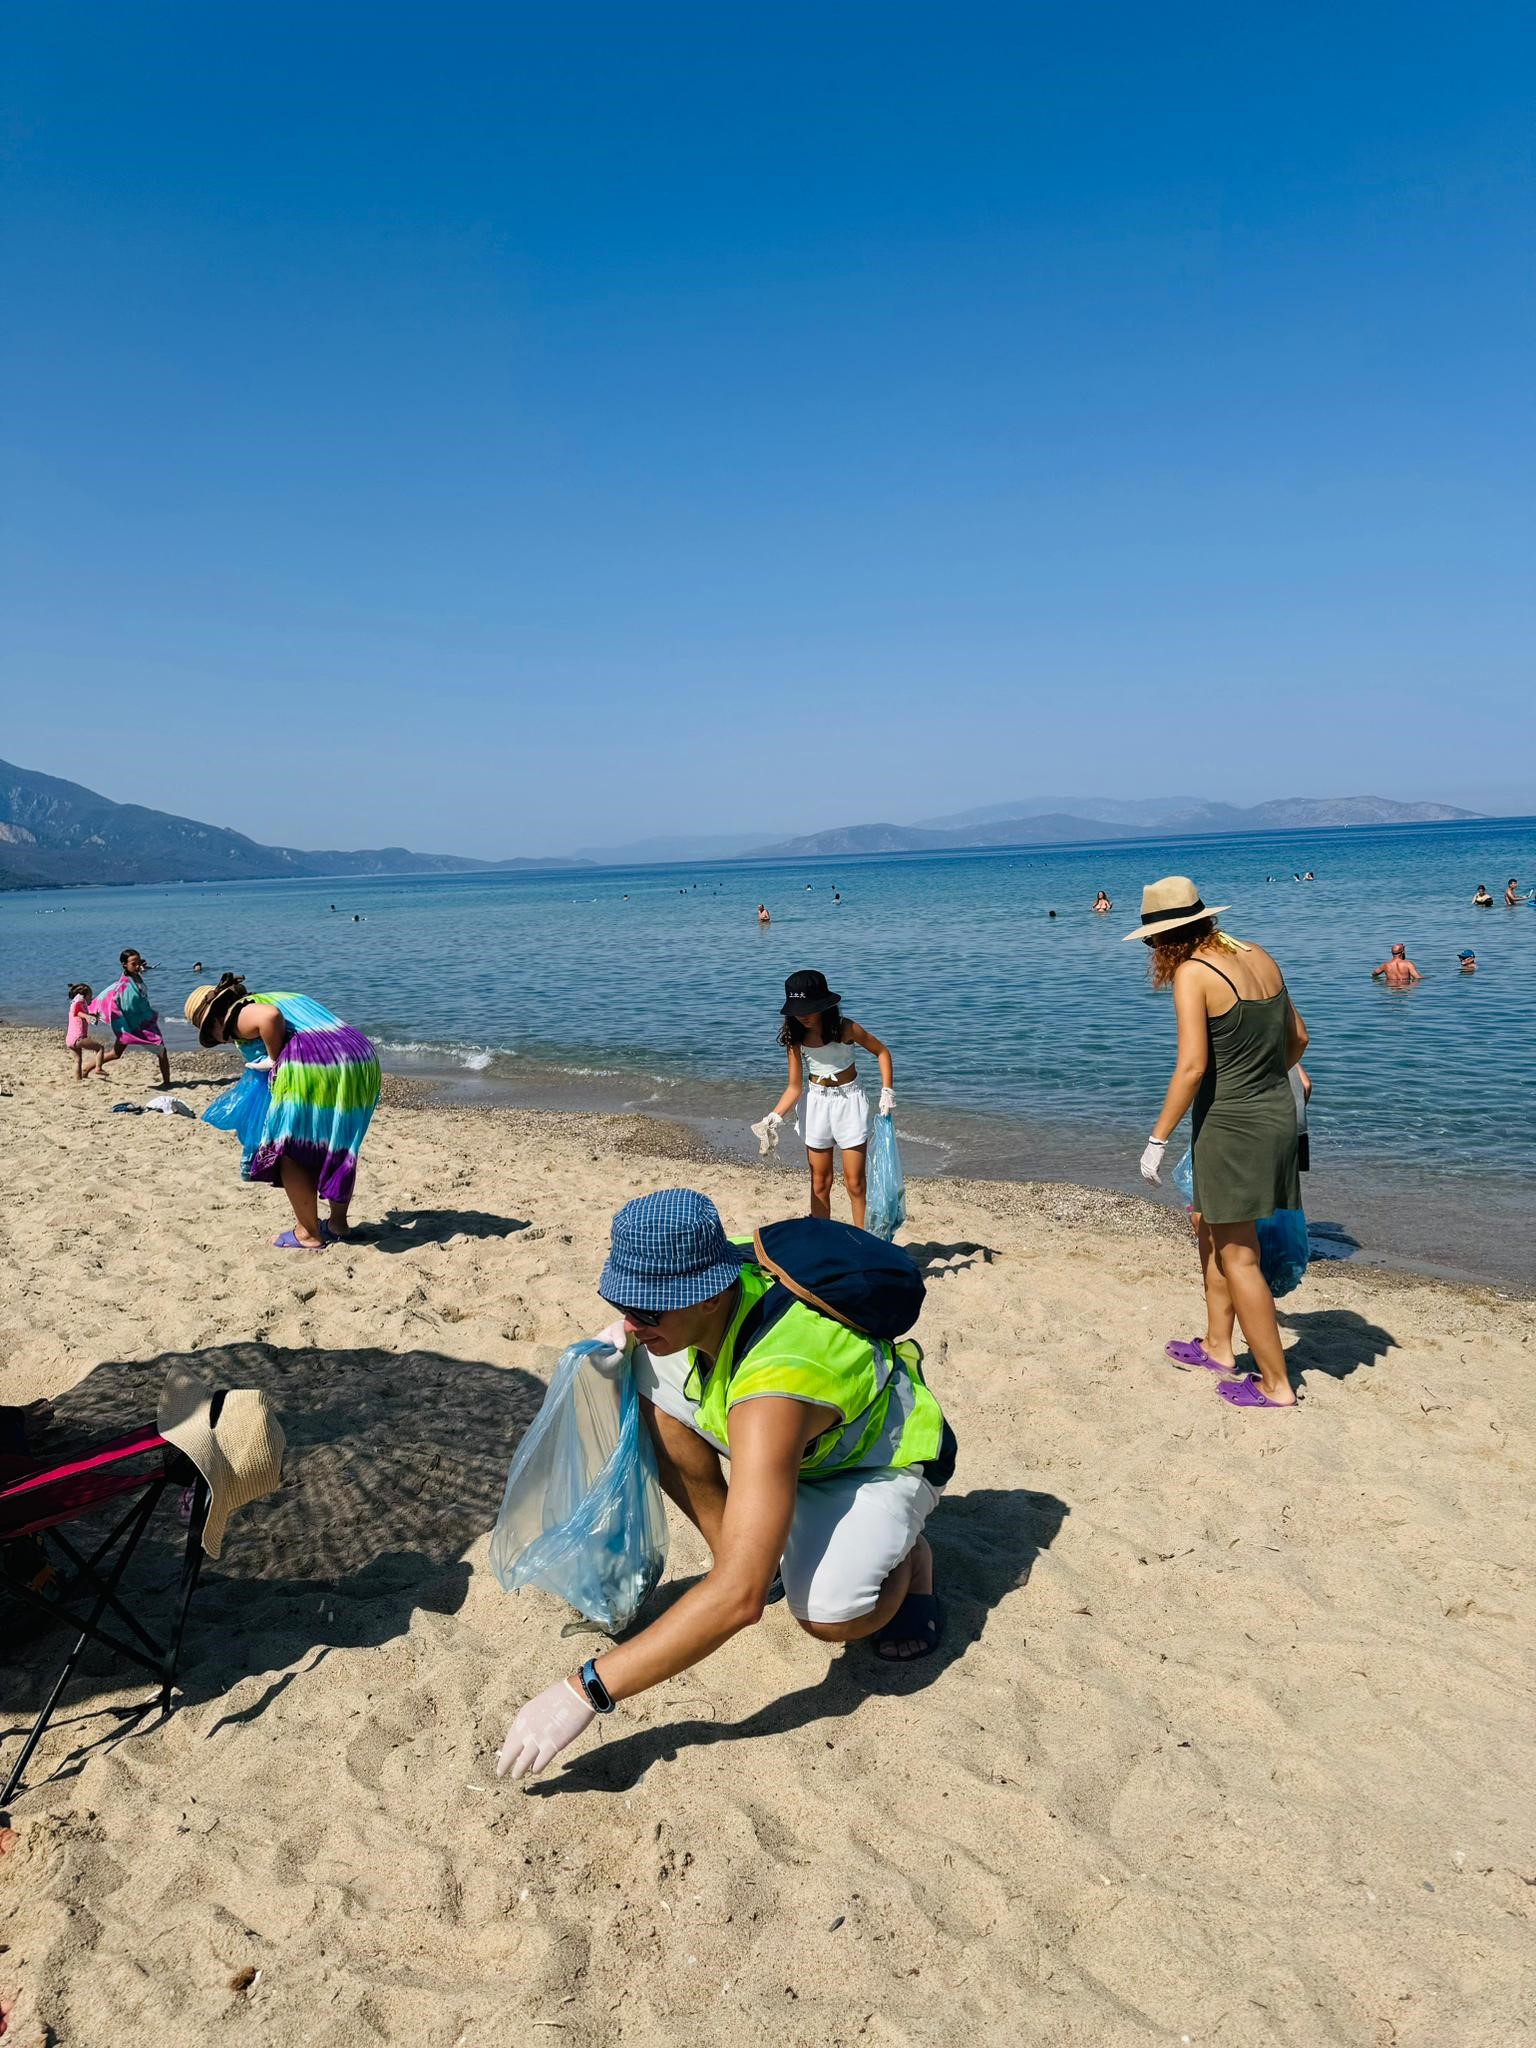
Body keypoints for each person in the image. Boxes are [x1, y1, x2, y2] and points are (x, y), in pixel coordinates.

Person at [496, 1191, 955, 1783]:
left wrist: (583, 1691)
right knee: (626, 1370)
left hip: (869, 1464)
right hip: (792, 1447)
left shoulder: (776, 1390)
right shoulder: (722, 1273)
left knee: (829, 1615)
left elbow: (737, 1605)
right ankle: (749, 1555)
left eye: (649, 1311)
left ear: (709, 1295)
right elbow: (655, 1325)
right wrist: (634, 1332)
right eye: (621, 1300)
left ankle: (912, 1560)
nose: (633, 1319)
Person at [1127, 877, 1309, 1412]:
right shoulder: (1258, 954)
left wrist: (1157, 1139)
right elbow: (1297, 1037)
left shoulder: (1192, 974)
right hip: (1273, 1114)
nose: (1151, 951)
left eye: (1151, 942)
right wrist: (1262, 1081)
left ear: (1169, 938)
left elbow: (1192, 1067)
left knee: (1239, 1255)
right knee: (1208, 1224)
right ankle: (1217, 1346)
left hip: (1232, 1128)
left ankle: (1276, 1385)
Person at [187, 976, 381, 1251]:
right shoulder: (278, 994)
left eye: (210, 1035)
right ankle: (338, 1225)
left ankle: (308, 1233)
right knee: (338, 1143)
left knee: (291, 1149)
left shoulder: (239, 1013)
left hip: (319, 1062)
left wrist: (275, 1059)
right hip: (360, 1057)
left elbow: (269, 1017)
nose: (219, 1040)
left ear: (214, 1020)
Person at [751, 971, 894, 1229]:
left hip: (849, 1102)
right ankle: (823, 1242)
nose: (803, 1015)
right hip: (816, 1104)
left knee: (855, 1182)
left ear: (824, 1005)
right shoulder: (795, 1038)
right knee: (819, 1181)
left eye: (808, 1008)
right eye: (797, 1009)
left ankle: (863, 1243)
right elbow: (794, 1087)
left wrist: (887, 1091)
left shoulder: (846, 1028)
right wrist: (773, 1117)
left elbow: (882, 1052)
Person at [93, 949, 172, 1088]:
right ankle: (167, 1084)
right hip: (135, 1025)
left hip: (133, 1024)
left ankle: (87, 1068)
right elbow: (127, 1006)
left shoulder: (136, 977)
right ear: (124, 964)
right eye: (133, 963)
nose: (137, 966)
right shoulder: (125, 985)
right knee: (161, 1050)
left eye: (138, 962)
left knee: (116, 1054)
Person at [65, 983, 107, 1081]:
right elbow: (79, 1013)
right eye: (90, 996)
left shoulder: (77, 1003)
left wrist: (93, 1015)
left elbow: (80, 1013)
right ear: (84, 995)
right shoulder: (79, 1002)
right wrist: (87, 1016)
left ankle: (78, 1079)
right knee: (100, 1048)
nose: (91, 999)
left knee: (78, 1060)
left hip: (70, 1039)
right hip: (78, 1038)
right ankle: (98, 1068)